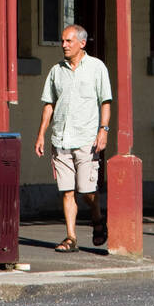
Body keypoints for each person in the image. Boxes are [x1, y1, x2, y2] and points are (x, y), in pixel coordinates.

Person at [34, 23, 112, 252]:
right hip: (61, 138)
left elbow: (105, 101)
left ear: (82, 43)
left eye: (69, 41)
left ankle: (97, 217)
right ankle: (71, 237)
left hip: (87, 137)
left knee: (86, 191)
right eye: (62, 41)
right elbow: (49, 105)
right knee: (67, 191)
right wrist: (41, 135)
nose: (64, 45)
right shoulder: (56, 71)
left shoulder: (97, 68)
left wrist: (103, 130)